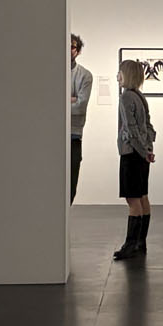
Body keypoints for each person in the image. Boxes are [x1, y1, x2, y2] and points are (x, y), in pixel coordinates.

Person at [113, 59, 157, 260]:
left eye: (120, 73)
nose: (117, 77)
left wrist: (142, 151)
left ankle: (130, 245)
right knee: (142, 196)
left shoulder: (126, 97)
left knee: (133, 199)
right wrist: (148, 148)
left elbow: (131, 130)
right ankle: (140, 243)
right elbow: (148, 127)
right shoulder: (140, 96)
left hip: (132, 154)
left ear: (127, 74)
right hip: (141, 154)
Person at [70, 34, 93, 203]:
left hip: (73, 134)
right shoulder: (47, 72)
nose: (68, 50)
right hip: (50, 134)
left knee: (71, 183)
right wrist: (71, 99)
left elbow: (80, 107)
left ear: (77, 51)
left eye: (72, 47)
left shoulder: (84, 75)